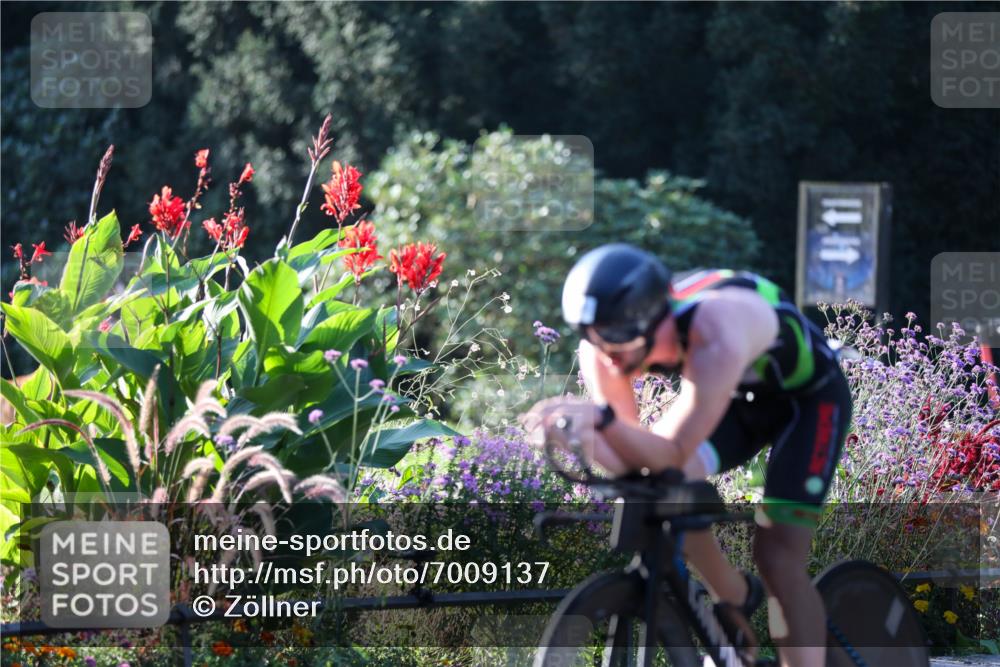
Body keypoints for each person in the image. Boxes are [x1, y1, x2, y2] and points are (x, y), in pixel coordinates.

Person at [528, 243, 852, 667]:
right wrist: (578, 435)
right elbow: (635, 457)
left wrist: (600, 421)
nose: (608, 356)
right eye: (595, 339)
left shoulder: (716, 326)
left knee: (777, 556)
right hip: (735, 398)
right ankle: (732, 596)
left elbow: (674, 450)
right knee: (656, 484)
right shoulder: (603, 344)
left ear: (650, 320)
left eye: (618, 342)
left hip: (807, 401)